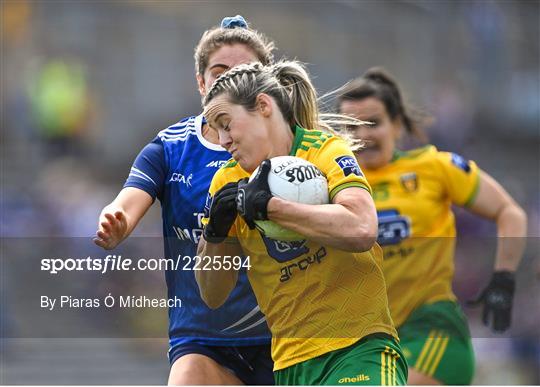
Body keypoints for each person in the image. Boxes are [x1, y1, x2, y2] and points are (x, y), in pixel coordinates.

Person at [195, 60, 408, 385]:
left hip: (358, 349)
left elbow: (361, 228)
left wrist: (273, 208)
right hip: (290, 368)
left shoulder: (324, 151)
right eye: (216, 130)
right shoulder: (225, 181)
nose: (223, 140)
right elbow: (212, 294)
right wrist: (215, 233)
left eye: (226, 123)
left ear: (263, 106)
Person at [93, 16, 276, 385]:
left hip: (285, 335)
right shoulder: (171, 148)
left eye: (243, 72)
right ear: (201, 82)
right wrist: (117, 221)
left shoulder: (290, 147)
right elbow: (128, 201)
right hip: (202, 339)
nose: (229, 80)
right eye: (219, 71)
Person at [336, 68, 527, 385]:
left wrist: (503, 278)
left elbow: (510, 212)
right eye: (351, 126)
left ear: (397, 125)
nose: (363, 134)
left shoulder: (434, 167)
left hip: (431, 329)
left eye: (373, 123)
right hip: (369, 341)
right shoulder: (333, 183)